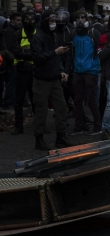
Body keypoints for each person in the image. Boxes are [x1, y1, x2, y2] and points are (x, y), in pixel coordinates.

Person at [30, 9, 74, 150]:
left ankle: (60, 137)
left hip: (54, 78)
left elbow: (56, 58)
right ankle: (39, 139)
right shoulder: (38, 38)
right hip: (41, 79)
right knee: (41, 110)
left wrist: (61, 71)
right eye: (51, 21)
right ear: (44, 22)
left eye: (54, 21)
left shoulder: (53, 36)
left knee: (62, 107)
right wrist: (55, 52)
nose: (54, 24)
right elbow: (37, 58)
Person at [67, 10, 102, 135]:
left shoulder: (93, 33)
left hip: (91, 71)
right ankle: (79, 126)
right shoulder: (74, 33)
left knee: (91, 100)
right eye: (78, 17)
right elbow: (71, 53)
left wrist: (97, 67)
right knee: (78, 100)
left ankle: (98, 126)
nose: (80, 19)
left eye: (83, 17)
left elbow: (100, 50)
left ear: (87, 19)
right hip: (78, 71)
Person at [11, 10, 36, 135]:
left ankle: (39, 125)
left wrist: (25, 54)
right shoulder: (18, 34)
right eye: (27, 18)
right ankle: (19, 126)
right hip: (21, 71)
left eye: (32, 18)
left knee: (36, 100)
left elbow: (39, 52)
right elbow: (16, 52)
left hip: (35, 71)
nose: (29, 21)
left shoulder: (38, 34)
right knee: (19, 100)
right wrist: (31, 55)